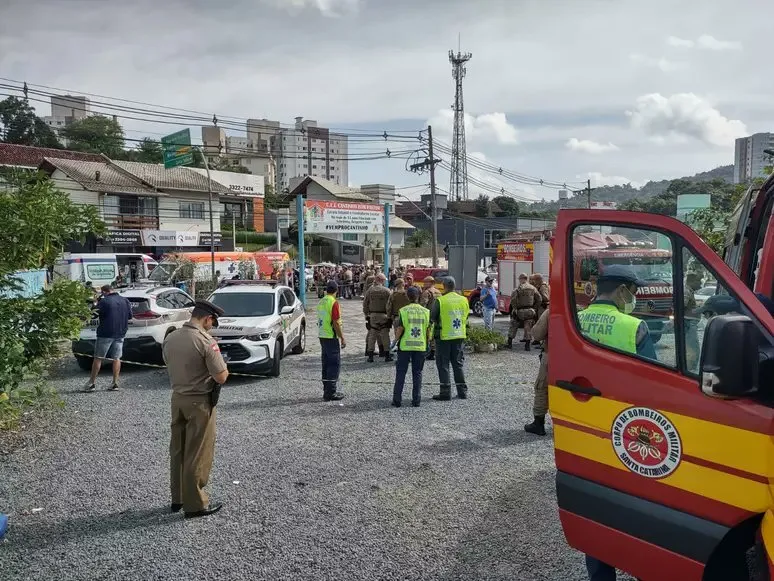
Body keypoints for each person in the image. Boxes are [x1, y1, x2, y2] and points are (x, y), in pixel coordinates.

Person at [576, 266, 655, 580]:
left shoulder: (575, 320)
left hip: (581, 428)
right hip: (628, 430)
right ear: (623, 291)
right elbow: (652, 382)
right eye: (633, 292)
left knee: (595, 507)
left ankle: (600, 573)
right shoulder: (633, 326)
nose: (634, 298)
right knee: (636, 506)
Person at [163, 300, 228, 519]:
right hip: (199, 401)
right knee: (198, 452)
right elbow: (221, 376)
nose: (212, 326)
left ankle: (178, 498)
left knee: (178, 449)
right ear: (207, 318)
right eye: (213, 322)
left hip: (177, 398)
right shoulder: (205, 341)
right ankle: (196, 503)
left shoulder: (171, 337)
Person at [83, 285, 132, 393]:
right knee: (117, 358)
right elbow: (130, 316)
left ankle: (92, 383)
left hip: (105, 333)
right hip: (120, 333)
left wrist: (96, 303)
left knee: (98, 357)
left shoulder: (104, 302)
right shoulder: (125, 300)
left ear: (104, 292)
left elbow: (93, 314)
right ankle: (115, 383)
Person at [431, 277, 470, 401]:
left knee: (443, 365)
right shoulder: (463, 300)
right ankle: (462, 391)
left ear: (444, 286)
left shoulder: (440, 301)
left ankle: (445, 392)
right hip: (459, 336)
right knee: (458, 364)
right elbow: (466, 315)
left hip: (444, 337)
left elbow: (432, 318)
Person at [392, 286, 432, 407]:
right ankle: (416, 400)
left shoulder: (403, 311)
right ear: (418, 296)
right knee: (417, 372)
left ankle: (397, 400)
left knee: (401, 372)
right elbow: (428, 330)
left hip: (405, 346)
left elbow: (400, 328)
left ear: (407, 297)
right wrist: (428, 342)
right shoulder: (426, 311)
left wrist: (395, 341)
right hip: (420, 345)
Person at [318, 280, 346, 401]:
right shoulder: (333, 302)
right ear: (336, 290)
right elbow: (336, 322)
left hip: (322, 335)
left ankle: (326, 390)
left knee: (325, 364)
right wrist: (342, 338)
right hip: (331, 336)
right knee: (334, 365)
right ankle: (331, 392)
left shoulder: (321, 301)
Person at [525, 306, 550, 436]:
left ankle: (538, 423)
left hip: (552, 355)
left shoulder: (551, 312)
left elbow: (538, 334)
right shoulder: (581, 310)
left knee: (541, 387)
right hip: (574, 357)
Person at [363, 273, 393, 362]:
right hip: (384, 315)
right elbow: (390, 304)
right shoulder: (387, 291)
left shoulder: (370, 290)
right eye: (384, 280)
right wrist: (390, 316)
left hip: (373, 316)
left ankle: (370, 356)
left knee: (372, 335)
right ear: (381, 280)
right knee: (385, 335)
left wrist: (366, 315)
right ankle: (387, 355)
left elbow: (365, 303)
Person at [508, 273, 541, 351]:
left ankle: (509, 343)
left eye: (519, 279)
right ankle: (527, 346)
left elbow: (513, 299)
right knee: (528, 328)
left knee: (514, 325)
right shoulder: (533, 288)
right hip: (530, 311)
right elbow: (539, 299)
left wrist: (515, 308)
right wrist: (534, 308)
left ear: (521, 279)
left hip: (520, 311)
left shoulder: (518, 288)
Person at [420, 276, 442, 360]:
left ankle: (427, 352)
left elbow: (423, 305)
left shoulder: (426, 292)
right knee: (434, 334)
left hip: (428, 316)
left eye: (426, 282)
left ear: (431, 283)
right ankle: (434, 351)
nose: (424, 284)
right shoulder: (438, 292)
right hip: (438, 316)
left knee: (427, 334)